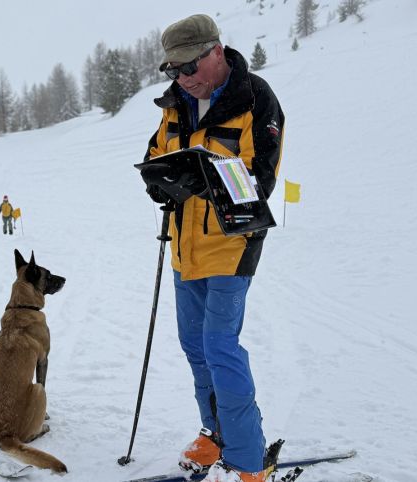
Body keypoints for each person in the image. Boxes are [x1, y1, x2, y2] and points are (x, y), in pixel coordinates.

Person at [142, 14, 285, 482]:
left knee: (220, 347)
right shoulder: (176, 104)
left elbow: (260, 179)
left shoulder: (255, 100)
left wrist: (201, 179)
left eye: (189, 68)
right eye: (174, 71)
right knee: (194, 347)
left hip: (232, 244)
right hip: (185, 248)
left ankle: (249, 459)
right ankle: (215, 433)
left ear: (216, 52)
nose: (183, 79)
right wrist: (161, 182)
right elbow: (155, 156)